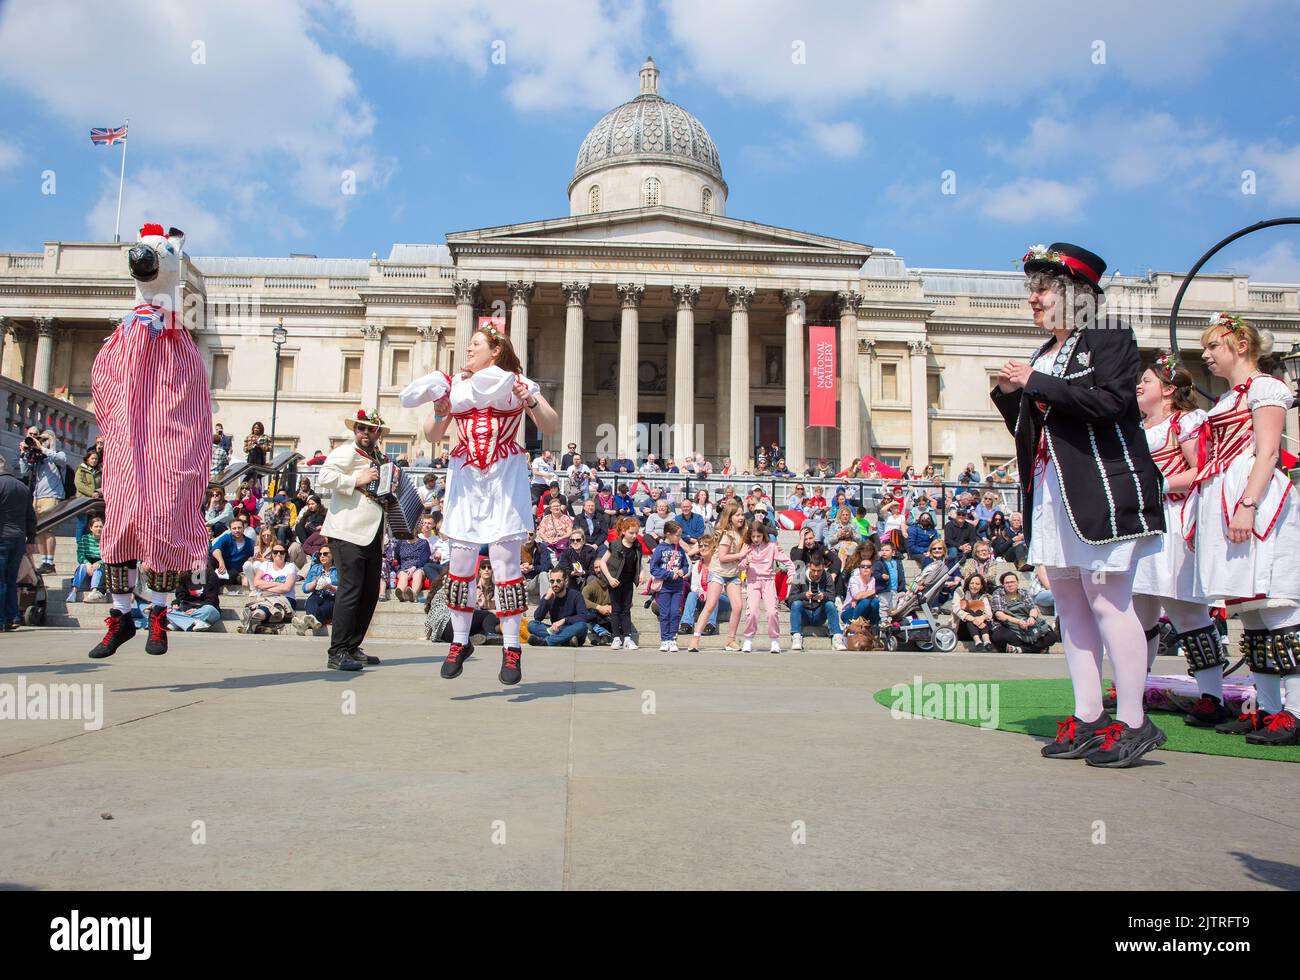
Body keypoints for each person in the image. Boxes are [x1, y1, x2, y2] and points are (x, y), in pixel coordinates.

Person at [993, 241, 1165, 767]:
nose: (1034, 301)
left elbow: (1112, 403)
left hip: (1103, 488)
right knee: (1070, 603)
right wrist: (1009, 393)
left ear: (1075, 295)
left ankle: (1135, 721)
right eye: (1033, 291)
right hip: (1054, 488)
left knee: (1110, 601)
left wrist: (1035, 383)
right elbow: (1036, 428)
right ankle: (1090, 716)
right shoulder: (1047, 354)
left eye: (1042, 290)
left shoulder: (1110, 336)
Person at [401, 321, 560, 684]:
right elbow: (433, 434)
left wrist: (530, 402)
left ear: (495, 350)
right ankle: (458, 641)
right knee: (460, 561)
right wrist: (441, 410)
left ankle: (511, 649)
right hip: (466, 477)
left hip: (504, 475)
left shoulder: (517, 382)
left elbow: (550, 425)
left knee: (506, 564)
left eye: (475, 344)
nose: (468, 349)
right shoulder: (454, 385)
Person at [87, 224, 212, 660]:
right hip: (128, 441)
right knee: (120, 522)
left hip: (163, 441)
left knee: (161, 521)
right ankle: (121, 616)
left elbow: (191, 396)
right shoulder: (127, 329)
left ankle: (158, 613)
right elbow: (106, 378)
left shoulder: (175, 331)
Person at [1186, 314, 1300, 745]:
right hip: (1228, 499)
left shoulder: (1267, 387)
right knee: (1251, 609)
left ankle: (1294, 712)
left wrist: (1247, 505)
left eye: (1214, 346)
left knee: (1278, 603)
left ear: (1239, 345)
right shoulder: (1227, 397)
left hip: (1257, 499)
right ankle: (1269, 709)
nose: (1207, 355)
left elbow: (1268, 452)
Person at [1130, 352, 1229, 727]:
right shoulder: (1136, 427)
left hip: (1175, 518)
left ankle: (1212, 695)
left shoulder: (1186, 421)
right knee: (1140, 611)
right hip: (1145, 524)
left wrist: (1158, 485)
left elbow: (1202, 468)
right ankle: (1133, 685)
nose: (1140, 385)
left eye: (1148, 380)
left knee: (1187, 610)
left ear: (1169, 389)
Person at [315, 408, 394, 671]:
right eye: (361, 428)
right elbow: (323, 476)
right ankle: (337, 650)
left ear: (378, 433)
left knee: (370, 591)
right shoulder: (347, 451)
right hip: (347, 530)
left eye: (371, 429)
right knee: (351, 589)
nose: (365, 433)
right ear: (354, 430)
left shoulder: (379, 457)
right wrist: (355, 479)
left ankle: (352, 646)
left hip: (372, 531)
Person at [686, 499, 749, 652]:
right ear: (730, 517)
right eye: (737, 515)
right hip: (718, 572)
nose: (741, 517)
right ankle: (695, 639)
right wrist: (741, 554)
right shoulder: (726, 534)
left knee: (738, 606)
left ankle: (730, 640)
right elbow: (722, 557)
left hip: (733, 573)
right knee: (710, 605)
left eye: (742, 514)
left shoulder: (742, 533)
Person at [738, 519, 792, 654]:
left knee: (772, 612)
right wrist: (746, 561)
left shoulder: (772, 546)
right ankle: (748, 640)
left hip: (768, 581)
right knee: (752, 612)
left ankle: (775, 640)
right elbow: (738, 567)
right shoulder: (746, 547)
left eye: (759, 536)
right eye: (753, 536)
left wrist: (791, 573)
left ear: (763, 535)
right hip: (752, 582)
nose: (756, 539)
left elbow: (788, 561)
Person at [18, 429, 66, 574]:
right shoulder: (39, 457)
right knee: (38, 530)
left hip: (52, 495)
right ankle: (44, 561)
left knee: (49, 528)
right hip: (37, 496)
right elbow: (24, 472)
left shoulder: (56, 455)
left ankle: (49, 562)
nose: (43, 440)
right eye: (42, 438)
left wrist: (42, 448)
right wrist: (24, 454)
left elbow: (62, 460)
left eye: (47, 438)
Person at [595, 517, 643, 650]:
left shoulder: (637, 545)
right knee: (616, 610)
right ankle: (616, 637)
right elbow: (602, 562)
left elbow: (638, 562)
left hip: (628, 581)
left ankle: (627, 638)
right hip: (615, 581)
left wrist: (642, 572)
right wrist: (610, 578)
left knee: (626, 610)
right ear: (623, 531)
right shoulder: (615, 544)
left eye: (636, 533)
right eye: (631, 533)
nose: (634, 536)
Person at [0, 455, 36, 631]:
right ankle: (12, 617)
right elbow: (31, 516)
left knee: (1, 580)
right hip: (19, 538)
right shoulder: (22, 487)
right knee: (11, 580)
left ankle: (1, 618)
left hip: (2, 537)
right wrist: (32, 538)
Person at [788, 552, 847, 651]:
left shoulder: (827, 576)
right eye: (813, 570)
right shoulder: (800, 576)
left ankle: (837, 637)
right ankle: (796, 636)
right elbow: (790, 599)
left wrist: (824, 596)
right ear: (808, 566)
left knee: (830, 604)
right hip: (804, 615)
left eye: (819, 571)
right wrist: (804, 595)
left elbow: (832, 597)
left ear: (823, 567)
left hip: (819, 614)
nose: (816, 574)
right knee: (796, 603)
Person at [649, 520, 690, 652]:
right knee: (665, 613)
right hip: (665, 587)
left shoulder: (680, 549)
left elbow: (685, 565)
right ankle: (664, 639)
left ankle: (673, 639)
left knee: (675, 613)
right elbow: (653, 569)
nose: (679, 538)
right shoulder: (660, 549)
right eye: (677, 535)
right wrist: (668, 574)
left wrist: (683, 571)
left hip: (677, 587)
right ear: (668, 534)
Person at [990, 570, 1054, 653]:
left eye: (1012, 582)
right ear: (1003, 584)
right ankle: (1037, 648)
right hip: (1007, 625)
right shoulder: (998, 593)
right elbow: (999, 615)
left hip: (1027, 626)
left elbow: (1033, 608)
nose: (1010, 584)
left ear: (1017, 583)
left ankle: (1021, 649)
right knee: (999, 636)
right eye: (1007, 583)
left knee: (1051, 636)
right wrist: (1018, 621)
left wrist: (1032, 618)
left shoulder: (1024, 593)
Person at [239, 544, 298, 633]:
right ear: (272, 554)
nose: (278, 554)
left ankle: (253, 618)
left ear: (286, 554)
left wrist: (265, 587)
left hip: (285, 598)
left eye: (281, 552)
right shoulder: (265, 565)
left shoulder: (290, 566)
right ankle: (257, 624)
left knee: (269, 606)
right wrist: (277, 584)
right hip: (266, 597)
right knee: (266, 604)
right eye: (275, 552)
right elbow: (256, 583)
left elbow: (287, 587)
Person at [527, 569, 591, 647]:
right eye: (552, 581)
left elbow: (583, 616)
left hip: (573, 629)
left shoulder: (576, 595)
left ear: (566, 581)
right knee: (532, 625)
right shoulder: (549, 596)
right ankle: (565, 641)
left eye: (558, 581)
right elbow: (537, 617)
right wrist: (546, 599)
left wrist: (564, 620)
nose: (555, 584)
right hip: (555, 630)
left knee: (582, 626)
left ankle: (547, 642)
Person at [169, 555, 222, 631]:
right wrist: (176, 602)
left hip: (204, 608)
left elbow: (212, 599)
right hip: (186, 607)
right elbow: (180, 595)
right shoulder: (184, 575)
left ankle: (178, 622)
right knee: (165, 608)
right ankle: (195, 622)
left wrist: (196, 609)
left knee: (210, 610)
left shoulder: (211, 575)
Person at [69, 515, 107, 602]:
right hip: (87, 564)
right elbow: (80, 555)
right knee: (82, 566)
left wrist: (99, 562)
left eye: (101, 526)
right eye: (96, 526)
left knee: (98, 568)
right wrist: (87, 563)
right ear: (91, 528)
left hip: (100, 565)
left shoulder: (107, 540)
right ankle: (74, 591)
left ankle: (94, 591)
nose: (99, 529)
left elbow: (108, 556)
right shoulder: (84, 538)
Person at [953, 573, 994, 651]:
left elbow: (989, 613)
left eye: (977, 584)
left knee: (979, 611)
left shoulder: (983, 595)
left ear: (981, 586)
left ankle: (986, 641)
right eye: (972, 583)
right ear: (968, 583)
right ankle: (978, 642)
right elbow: (956, 609)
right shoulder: (960, 591)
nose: (974, 586)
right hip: (961, 628)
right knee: (971, 611)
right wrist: (973, 619)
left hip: (979, 628)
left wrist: (981, 619)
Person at [872, 540, 907, 622]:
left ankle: (890, 619)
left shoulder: (897, 562)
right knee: (884, 605)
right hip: (884, 589)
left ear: (893, 552)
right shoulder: (879, 563)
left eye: (887, 550)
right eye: (882, 550)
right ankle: (883, 620)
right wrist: (881, 576)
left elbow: (901, 575)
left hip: (894, 588)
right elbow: (875, 573)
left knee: (893, 606)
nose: (884, 552)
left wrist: (902, 587)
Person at [73, 447, 103, 541]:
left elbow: (105, 484)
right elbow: (79, 485)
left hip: (94, 503)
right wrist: (91, 493)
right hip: (83, 501)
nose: (94, 460)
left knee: (91, 525)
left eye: (96, 459)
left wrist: (98, 492)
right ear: (87, 459)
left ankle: (88, 545)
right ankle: (80, 544)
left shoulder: (100, 472)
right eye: (92, 458)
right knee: (82, 524)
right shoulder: (81, 469)